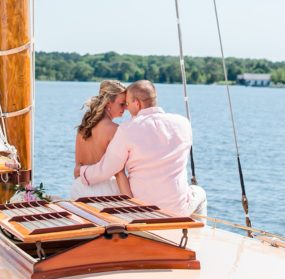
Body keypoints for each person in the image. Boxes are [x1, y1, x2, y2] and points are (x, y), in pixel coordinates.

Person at [75, 79, 206, 218]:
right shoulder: (183, 123)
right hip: (177, 209)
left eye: (128, 103)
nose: (126, 108)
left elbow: (108, 168)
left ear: (137, 103)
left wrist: (82, 171)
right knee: (200, 193)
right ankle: (197, 236)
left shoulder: (127, 129)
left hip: (143, 209)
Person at [69, 80, 132, 199]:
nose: (126, 108)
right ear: (108, 103)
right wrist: (132, 203)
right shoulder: (115, 130)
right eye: (122, 104)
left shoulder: (83, 128)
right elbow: (119, 172)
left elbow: (77, 170)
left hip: (80, 189)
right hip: (106, 192)